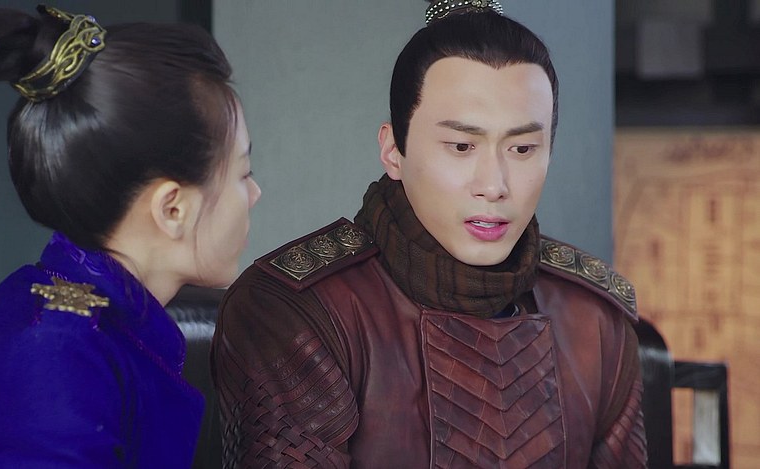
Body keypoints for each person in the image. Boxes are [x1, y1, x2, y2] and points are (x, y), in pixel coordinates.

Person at [212, 1, 646, 467]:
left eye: (522, 149)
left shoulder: (593, 319)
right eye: (461, 146)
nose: (494, 185)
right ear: (393, 150)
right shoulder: (296, 311)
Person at [0, 4, 260, 467]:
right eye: (243, 173)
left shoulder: (72, 317)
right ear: (173, 208)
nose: (254, 194)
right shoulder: (57, 356)